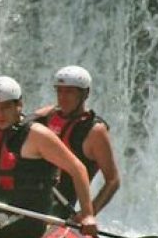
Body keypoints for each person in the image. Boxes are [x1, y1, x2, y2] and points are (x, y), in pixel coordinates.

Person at [0, 76, 97, 238]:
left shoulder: (37, 135)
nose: (0, 114)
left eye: (6, 107)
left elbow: (78, 168)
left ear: (18, 105)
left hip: (25, 214)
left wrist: (87, 215)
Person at [34, 66, 120, 217]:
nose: (62, 97)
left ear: (85, 94)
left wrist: (88, 214)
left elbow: (113, 180)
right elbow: (19, 122)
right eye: (59, 91)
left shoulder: (95, 131)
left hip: (59, 208)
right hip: (30, 198)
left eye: (69, 92)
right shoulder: (50, 114)